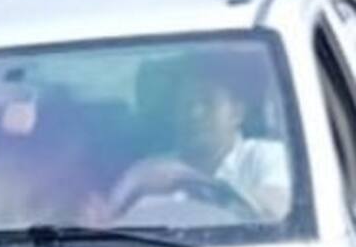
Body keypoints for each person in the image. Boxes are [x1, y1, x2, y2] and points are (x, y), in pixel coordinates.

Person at [110, 54, 291, 222]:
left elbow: (275, 209)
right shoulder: (149, 172)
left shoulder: (267, 156)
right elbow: (113, 223)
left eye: (207, 102)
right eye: (186, 104)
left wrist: (191, 184)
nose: (194, 113)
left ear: (236, 112)